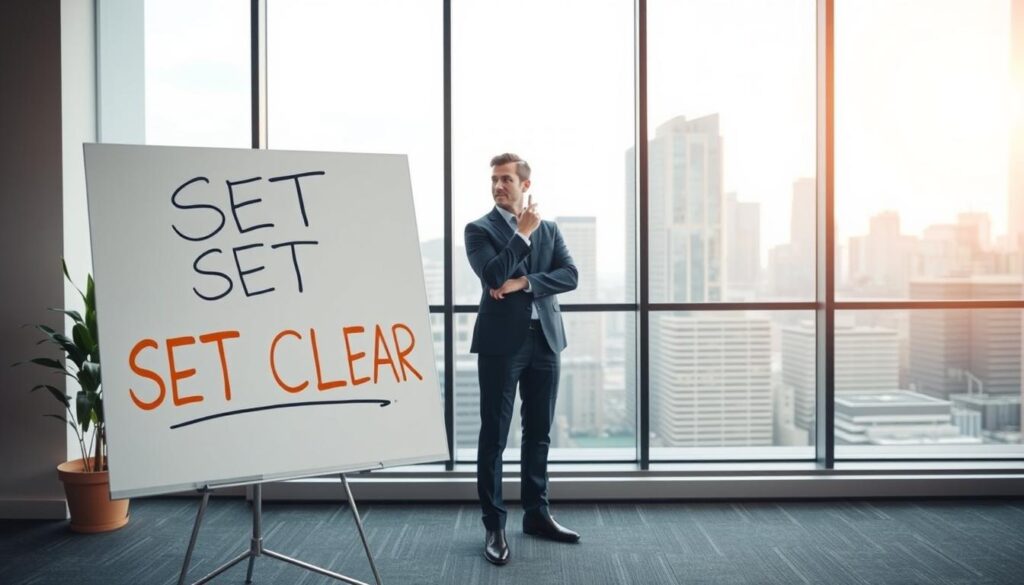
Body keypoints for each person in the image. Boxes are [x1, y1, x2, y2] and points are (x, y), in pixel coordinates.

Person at [464, 153, 580, 566]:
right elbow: (491, 275)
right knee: (494, 434)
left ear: (524, 185)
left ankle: (536, 514)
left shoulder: (550, 229)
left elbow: (570, 275)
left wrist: (525, 282)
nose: (498, 186)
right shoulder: (478, 229)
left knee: (539, 432)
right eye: (494, 180)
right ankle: (494, 526)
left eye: (507, 180)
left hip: (546, 340)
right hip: (502, 344)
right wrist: (522, 237)